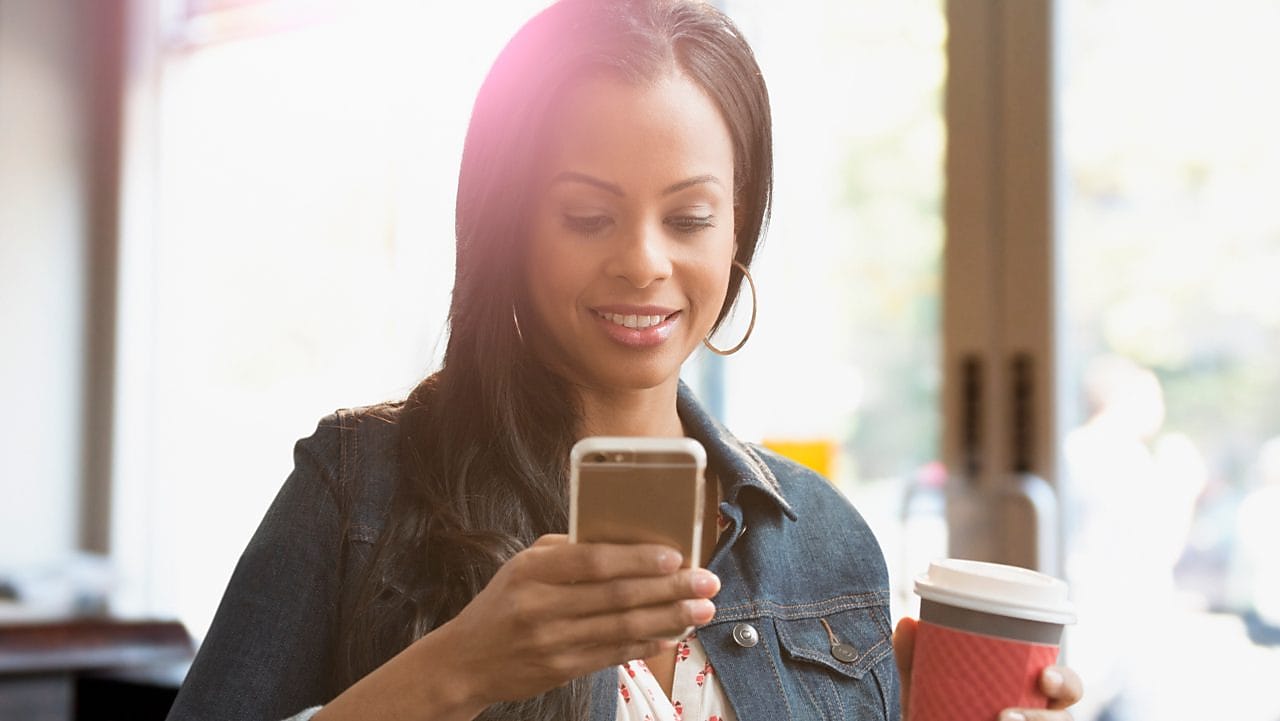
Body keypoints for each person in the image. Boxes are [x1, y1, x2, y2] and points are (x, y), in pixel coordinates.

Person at [165, 1, 1083, 719]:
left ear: (738, 229)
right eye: (587, 217)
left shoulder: (826, 544)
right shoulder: (356, 491)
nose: (644, 261)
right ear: (510, 224)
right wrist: (453, 674)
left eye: (689, 218)